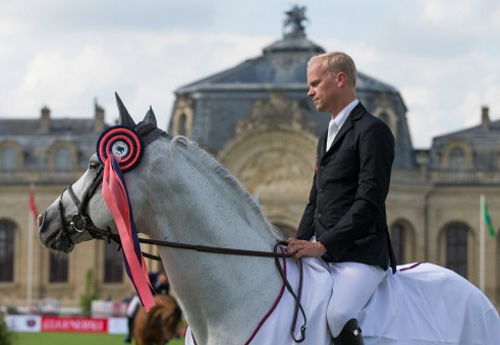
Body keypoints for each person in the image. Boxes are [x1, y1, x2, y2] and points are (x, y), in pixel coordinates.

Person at [286, 51, 397, 345]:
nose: (309, 92)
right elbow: (316, 200)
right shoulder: (325, 136)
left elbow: (369, 202)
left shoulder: (373, 130)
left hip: (361, 254)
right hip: (325, 252)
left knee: (338, 313)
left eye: (315, 83)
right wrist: (297, 242)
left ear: (340, 79)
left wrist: (323, 245)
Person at [124, 271, 171, 343]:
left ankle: (165, 335)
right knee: (130, 311)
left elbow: (165, 296)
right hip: (141, 297)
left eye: (166, 281)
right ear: (161, 276)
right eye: (165, 280)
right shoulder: (151, 276)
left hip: (155, 303)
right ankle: (129, 334)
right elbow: (141, 284)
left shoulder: (166, 284)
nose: (165, 282)